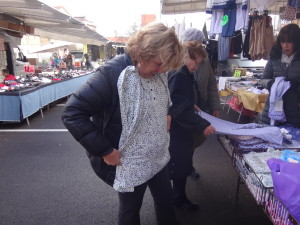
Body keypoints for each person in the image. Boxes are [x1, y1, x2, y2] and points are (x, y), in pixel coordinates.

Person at [61, 22, 183, 225]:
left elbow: (159, 98)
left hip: (158, 154)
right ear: (144, 51)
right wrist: (105, 149)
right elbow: (72, 112)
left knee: (166, 202)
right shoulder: (112, 73)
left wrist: (166, 112)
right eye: (158, 64)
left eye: (165, 67)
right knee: (130, 212)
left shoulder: (156, 72)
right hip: (129, 161)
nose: (161, 71)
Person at [168, 41, 216, 210]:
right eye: (196, 62)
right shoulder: (180, 75)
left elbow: (181, 101)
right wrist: (202, 124)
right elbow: (179, 109)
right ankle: (177, 200)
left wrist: (192, 105)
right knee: (180, 166)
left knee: (182, 165)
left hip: (181, 129)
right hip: (179, 131)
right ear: (187, 56)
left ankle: (178, 198)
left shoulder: (182, 73)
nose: (197, 67)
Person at [181, 28, 221, 179]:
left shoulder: (204, 59)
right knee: (182, 140)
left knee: (193, 140)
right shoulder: (177, 58)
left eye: (199, 43)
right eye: (193, 43)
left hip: (200, 106)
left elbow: (211, 83)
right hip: (183, 108)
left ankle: (188, 165)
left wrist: (215, 106)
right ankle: (179, 170)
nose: (197, 46)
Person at [259, 23, 300, 126]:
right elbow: (263, 79)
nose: (285, 45)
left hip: (295, 111)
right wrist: (271, 84)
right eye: (283, 41)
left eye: (289, 42)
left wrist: (296, 86)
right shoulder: (274, 57)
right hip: (272, 110)